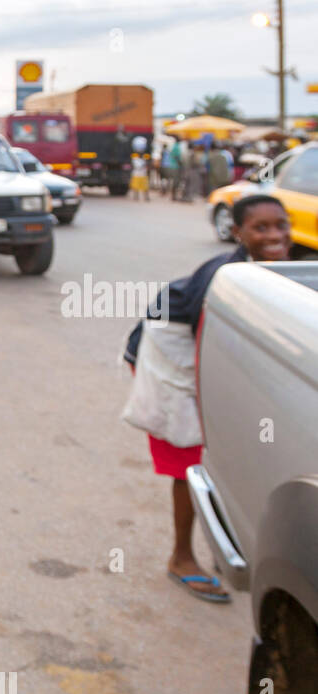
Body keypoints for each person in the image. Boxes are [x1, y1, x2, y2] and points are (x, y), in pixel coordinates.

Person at [122, 195, 292, 602]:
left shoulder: (281, 266)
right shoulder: (224, 277)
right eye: (260, 228)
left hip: (207, 348)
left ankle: (223, 546)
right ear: (238, 233)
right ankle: (180, 558)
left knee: (227, 451)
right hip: (171, 350)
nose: (274, 236)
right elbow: (208, 352)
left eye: (280, 225)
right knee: (191, 455)